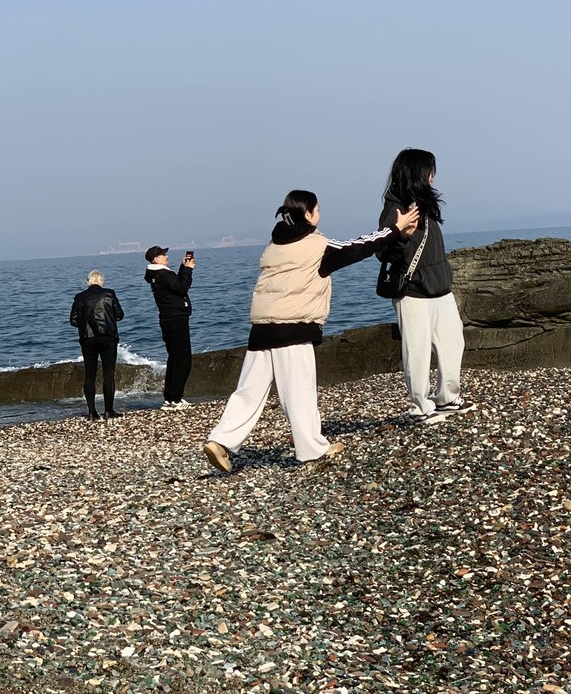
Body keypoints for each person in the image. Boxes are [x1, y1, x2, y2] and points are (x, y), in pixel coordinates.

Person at [202, 189, 420, 473]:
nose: (320, 214)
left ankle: (220, 440)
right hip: (294, 329)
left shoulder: (273, 246)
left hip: (261, 330)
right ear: (308, 214)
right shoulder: (316, 247)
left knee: (248, 392)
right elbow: (359, 247)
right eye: (317, 210)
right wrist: (395, 229)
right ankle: (312, 449)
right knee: (300, 392)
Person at [378, 148, 469, 425]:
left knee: (454, 343)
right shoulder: (395, 207)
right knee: (416, 352)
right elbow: (383, 252)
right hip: (413, 291)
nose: (433, 177)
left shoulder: (425, 204)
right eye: (430, 171)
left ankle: (446, 398)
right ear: (418, 172)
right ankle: (420, 406)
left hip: (441, 288)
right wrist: (401, 234)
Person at [69, 269, 125, 420]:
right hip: (108, 337)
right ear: (101, 281)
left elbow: (73, 321)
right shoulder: (109, 294)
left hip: (87, 338)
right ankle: (109, 410)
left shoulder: (79, 297)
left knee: (90, 374)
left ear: (88, 282)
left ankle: (92, 412)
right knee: (108, 373)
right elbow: (119, 315)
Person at [144, 245, 196, 408]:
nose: (166, 257)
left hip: (169, 319)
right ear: (156, 259)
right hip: (175, 319)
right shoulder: (163, 274)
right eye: (163, 255)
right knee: (183, 359)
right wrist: (188, 270)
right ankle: (176, 398)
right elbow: (182, 287)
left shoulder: (157, 275)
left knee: (175, 358)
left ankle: (171, 397)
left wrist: (182, 267)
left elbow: (175, 287)